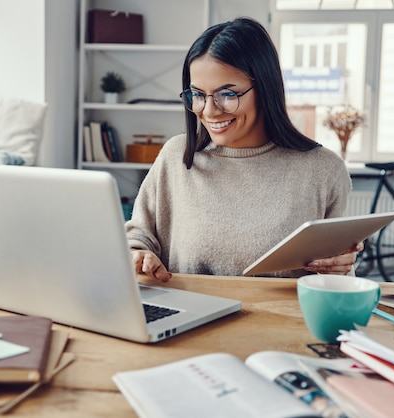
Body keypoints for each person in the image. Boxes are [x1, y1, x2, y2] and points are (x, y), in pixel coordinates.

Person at [125, 17, 360, 282]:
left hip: (281, 321)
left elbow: (336, 275)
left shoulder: (322, 170)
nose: (209, 111)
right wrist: (138, 253)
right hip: (192, 318)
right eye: (198, 95)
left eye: (227, 95)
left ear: (265, 89)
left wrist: (341, 266)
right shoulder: (176, 157)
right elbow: (138, 237)